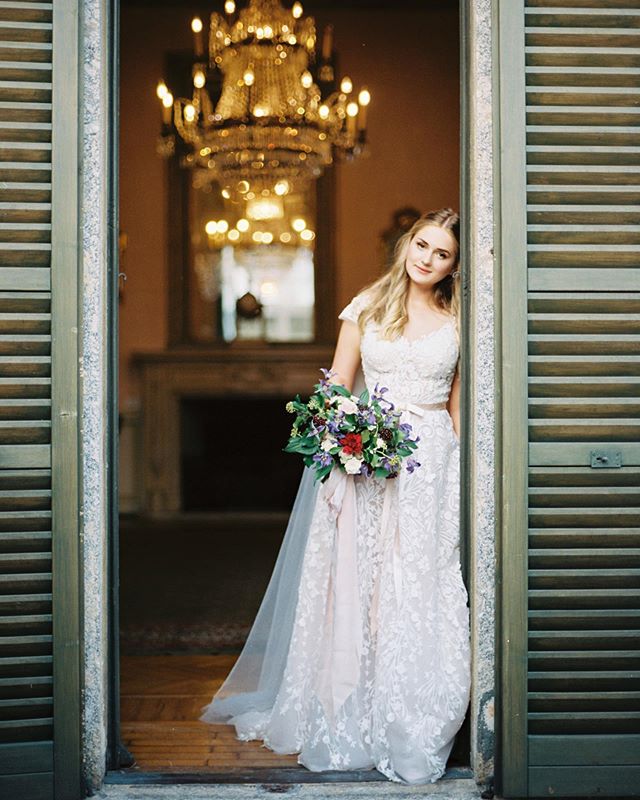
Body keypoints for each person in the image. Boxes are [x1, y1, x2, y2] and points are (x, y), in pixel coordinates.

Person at [199, 208, 471, 785]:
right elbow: (336, 389)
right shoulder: (366, 307)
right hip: (367, 458)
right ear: (406, 245)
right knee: (361, 581)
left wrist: (464, 465)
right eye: (421, 245)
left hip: (432, 462)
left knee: (417, 575)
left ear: (453, 266)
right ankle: (354, 710)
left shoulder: (458, 318)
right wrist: (345, 450)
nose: (427, 258)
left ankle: (408, 710)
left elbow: (456, 403)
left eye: (441, 253)